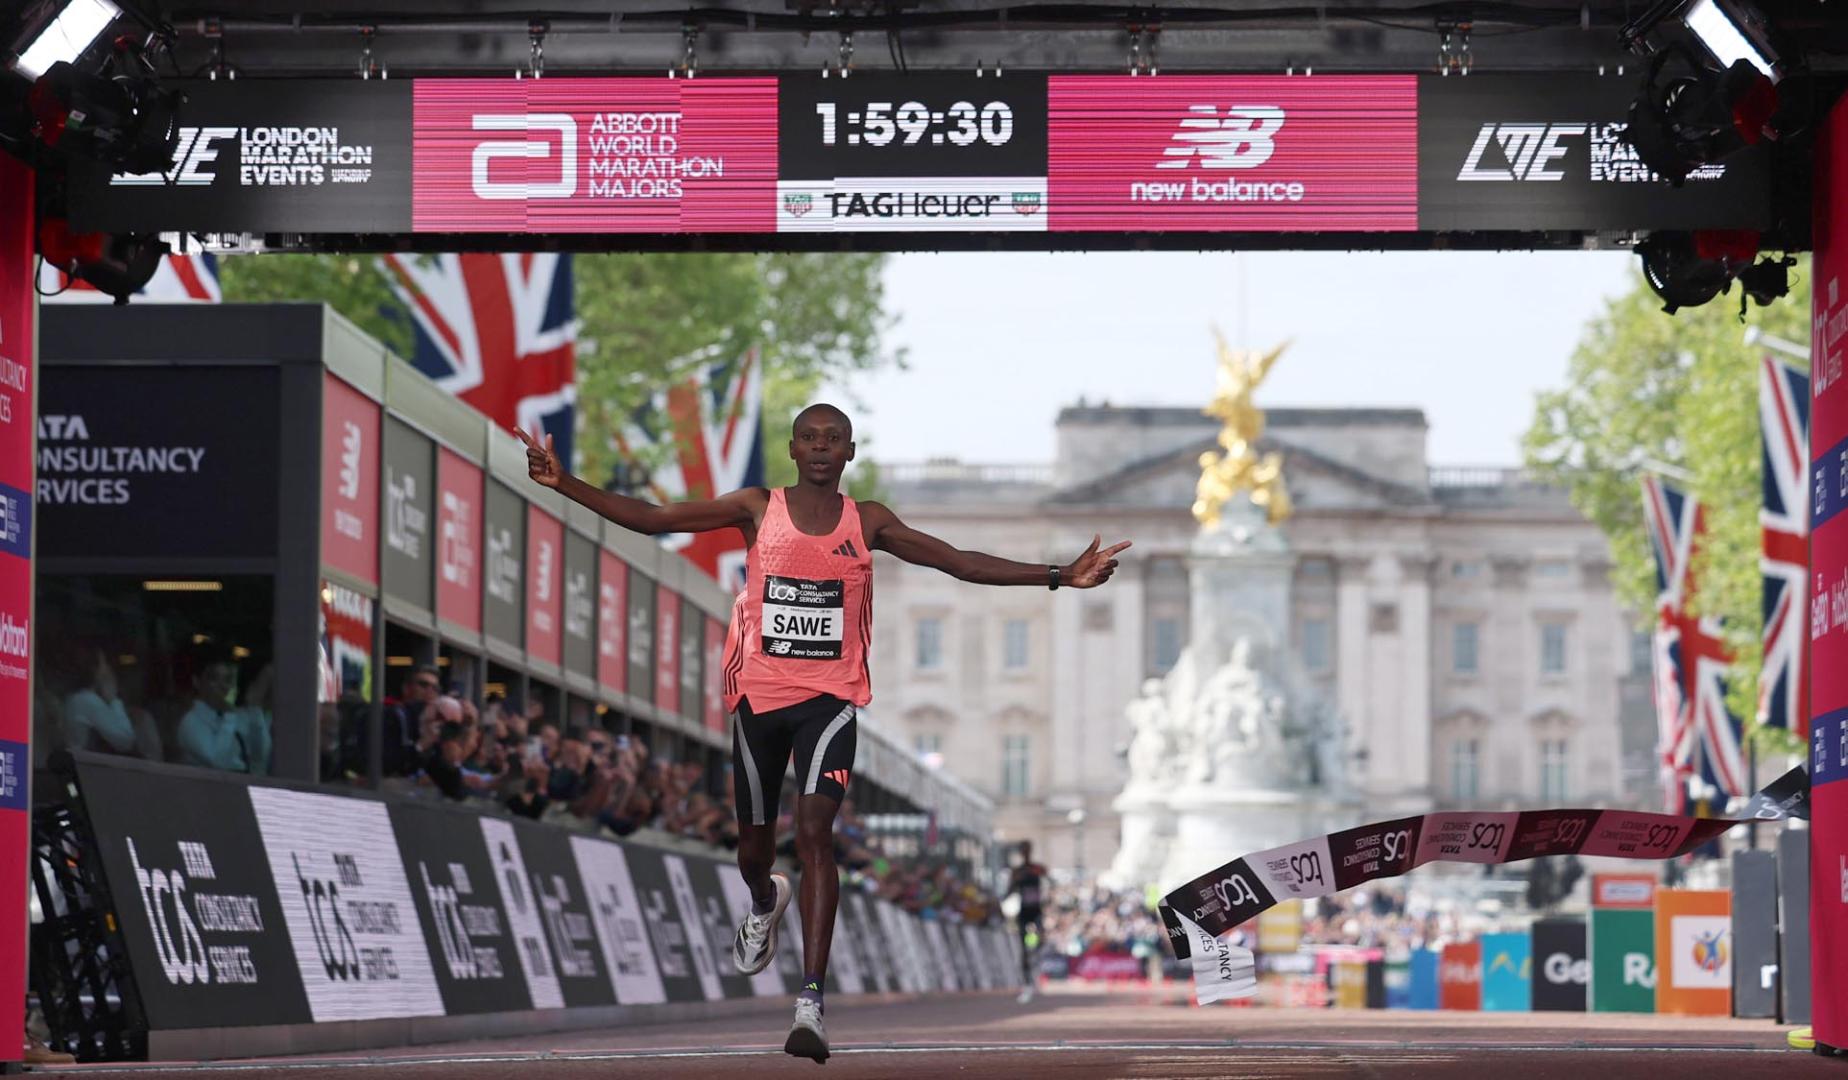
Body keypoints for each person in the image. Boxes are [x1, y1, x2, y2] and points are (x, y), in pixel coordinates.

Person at [518, 404, 1129, 1062]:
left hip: (830, 702)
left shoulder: (867, 522)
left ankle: (811, 999)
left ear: (849, 452)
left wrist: (1060, 575)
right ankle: (762, 899)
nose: (819, 447)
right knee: (754, 848)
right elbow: (657, 519)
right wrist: (564, 483)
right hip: (758, 700)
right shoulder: (757, 507)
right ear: (792, 448)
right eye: (809, 438)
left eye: (832, 439)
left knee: (814, 833)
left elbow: (956, 562)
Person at [175, 653, 273, 774]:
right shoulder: (190, 722)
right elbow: (219, 762)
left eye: (227, 679)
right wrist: (229, 716)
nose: (222, 686)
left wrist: (255, 709)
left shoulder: (236, 717)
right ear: (197, 682)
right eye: (214, 679)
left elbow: (260, 754)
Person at [61, 649, 161, 760]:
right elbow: (125, 740)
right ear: (95, 671)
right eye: (104, 664)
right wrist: (114, 699)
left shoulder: (74, 699)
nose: (108, 669)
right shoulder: (88, 700)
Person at [1006, 840, 1050, 1003]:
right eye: (1023, 850)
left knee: (1040, 941)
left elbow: (1048, 878)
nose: (1025, 852)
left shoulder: (1037, 868)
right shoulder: (1017, 871)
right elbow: (1009, 891)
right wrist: (1016, 881)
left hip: (1036, 911)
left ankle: (1035, 956)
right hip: (1024, 912)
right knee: (1023, 949)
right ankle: (1027, 983)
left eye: (1028, 850)